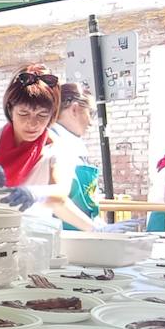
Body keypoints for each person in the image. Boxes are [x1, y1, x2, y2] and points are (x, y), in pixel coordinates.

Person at [0, 65, 96, 230]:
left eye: (42, 115)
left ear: (52, 114)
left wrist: (35, 194)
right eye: (23, 113)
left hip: (34, 233)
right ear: (10, 109)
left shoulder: (56, 148)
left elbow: (60, 192)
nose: (32, 123)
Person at [48, 81, 100, 225]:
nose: (91, 122)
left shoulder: (72, 144)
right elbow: (56, 201)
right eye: (91, 113)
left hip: (76, 232)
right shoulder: (53, 144)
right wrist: (94, 228)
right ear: (75, 109)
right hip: (58, 233)